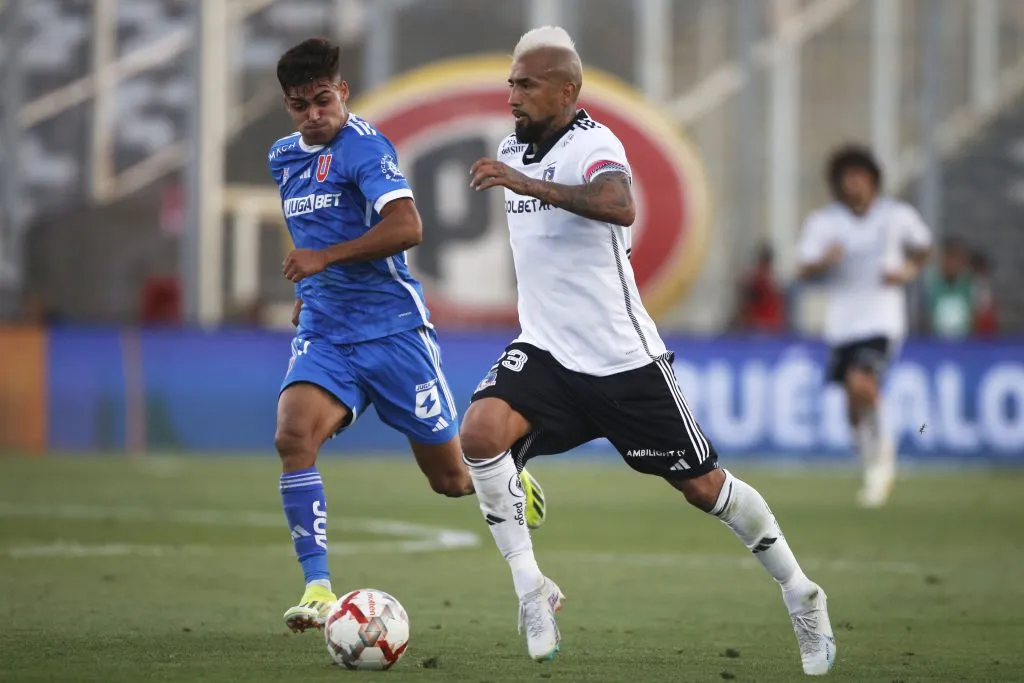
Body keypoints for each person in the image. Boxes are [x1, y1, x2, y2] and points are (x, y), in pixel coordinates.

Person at [460, 26, 835, 676]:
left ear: (567, 90)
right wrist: (521, 175)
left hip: (622, 362)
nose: (512, 92)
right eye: (512, 80)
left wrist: (530, 184)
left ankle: (800, 591)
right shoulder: (511, 145)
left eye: (527, 82)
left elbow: (619, 204)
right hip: (546, 351)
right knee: (480, 434)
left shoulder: (593, 144)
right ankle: (532, 588)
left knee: (704, 487)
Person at [267, 38, 547, 634]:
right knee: (293, 437)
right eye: (300, 105)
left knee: (451, 480)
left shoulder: (365, 148)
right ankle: (318, 588)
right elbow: (317, 228)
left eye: (323, 100)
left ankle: (509, 465)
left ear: (341, 92)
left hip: (393, 333)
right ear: (288, 107)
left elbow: (407, 226)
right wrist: (310, 288)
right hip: (326, 333)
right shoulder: (282, 158)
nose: (314, 114)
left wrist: (325, 259)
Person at [797, 145, 932, 508]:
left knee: (863, 383)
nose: (853, 184)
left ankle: (883, 466)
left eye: (860, 177)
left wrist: (906, 271)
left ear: (872, 180)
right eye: (847, 179)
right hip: (843, 322)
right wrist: (825, 260)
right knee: (851, 404)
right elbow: (803, 267)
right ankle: (868, 461)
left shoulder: (896, 216)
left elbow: (923, 247)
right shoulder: (826, 222)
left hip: (882, 318)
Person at [924, 236, 973, 339]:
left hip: (966, 345)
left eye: (957, 258)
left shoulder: (970, 286)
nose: (953, 263)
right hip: (935, 343)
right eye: (949, 257)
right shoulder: (932, 285)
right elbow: (925, 319)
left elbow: (975, 319)